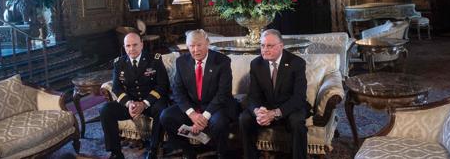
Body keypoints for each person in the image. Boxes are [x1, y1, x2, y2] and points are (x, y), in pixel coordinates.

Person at [160, 29, 235, 159]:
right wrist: (192, 114)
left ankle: (221, 153)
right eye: (191, 46)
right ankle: (188, 151)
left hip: (215, 106)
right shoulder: (182, 62)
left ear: (207, 43)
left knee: (219, 123)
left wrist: (204, 117)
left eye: (199, 45)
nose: (195, 50)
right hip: (193, 105)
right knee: (166, 116)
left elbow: (223, 93)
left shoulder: (222, 61)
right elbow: (178, 91)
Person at [239, 29, 310, 159]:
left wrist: (275, 113)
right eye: (262, 45)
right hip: (266, 108)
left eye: (269, 46)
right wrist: (257, 111)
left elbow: (299, 97)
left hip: (289, 107)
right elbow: (253, 95)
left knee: (297, 122)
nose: (265, 49)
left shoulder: (296, 63)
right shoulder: (256, 64)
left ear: (281, 46)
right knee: (245, 119)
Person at [100, 32, 170, 159]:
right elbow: (117, 88)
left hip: (151, 103)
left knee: (162, 109)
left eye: (135, 45)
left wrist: (144, 104)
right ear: (124, 47)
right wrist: (129, 104)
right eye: (128, 46)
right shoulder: (119, 63)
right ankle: (116, 152)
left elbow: (162, 85)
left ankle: (154, 149)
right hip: (130, 103)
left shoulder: (154, 60)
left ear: (142, 45)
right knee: (106, 110)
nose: (131, 49)